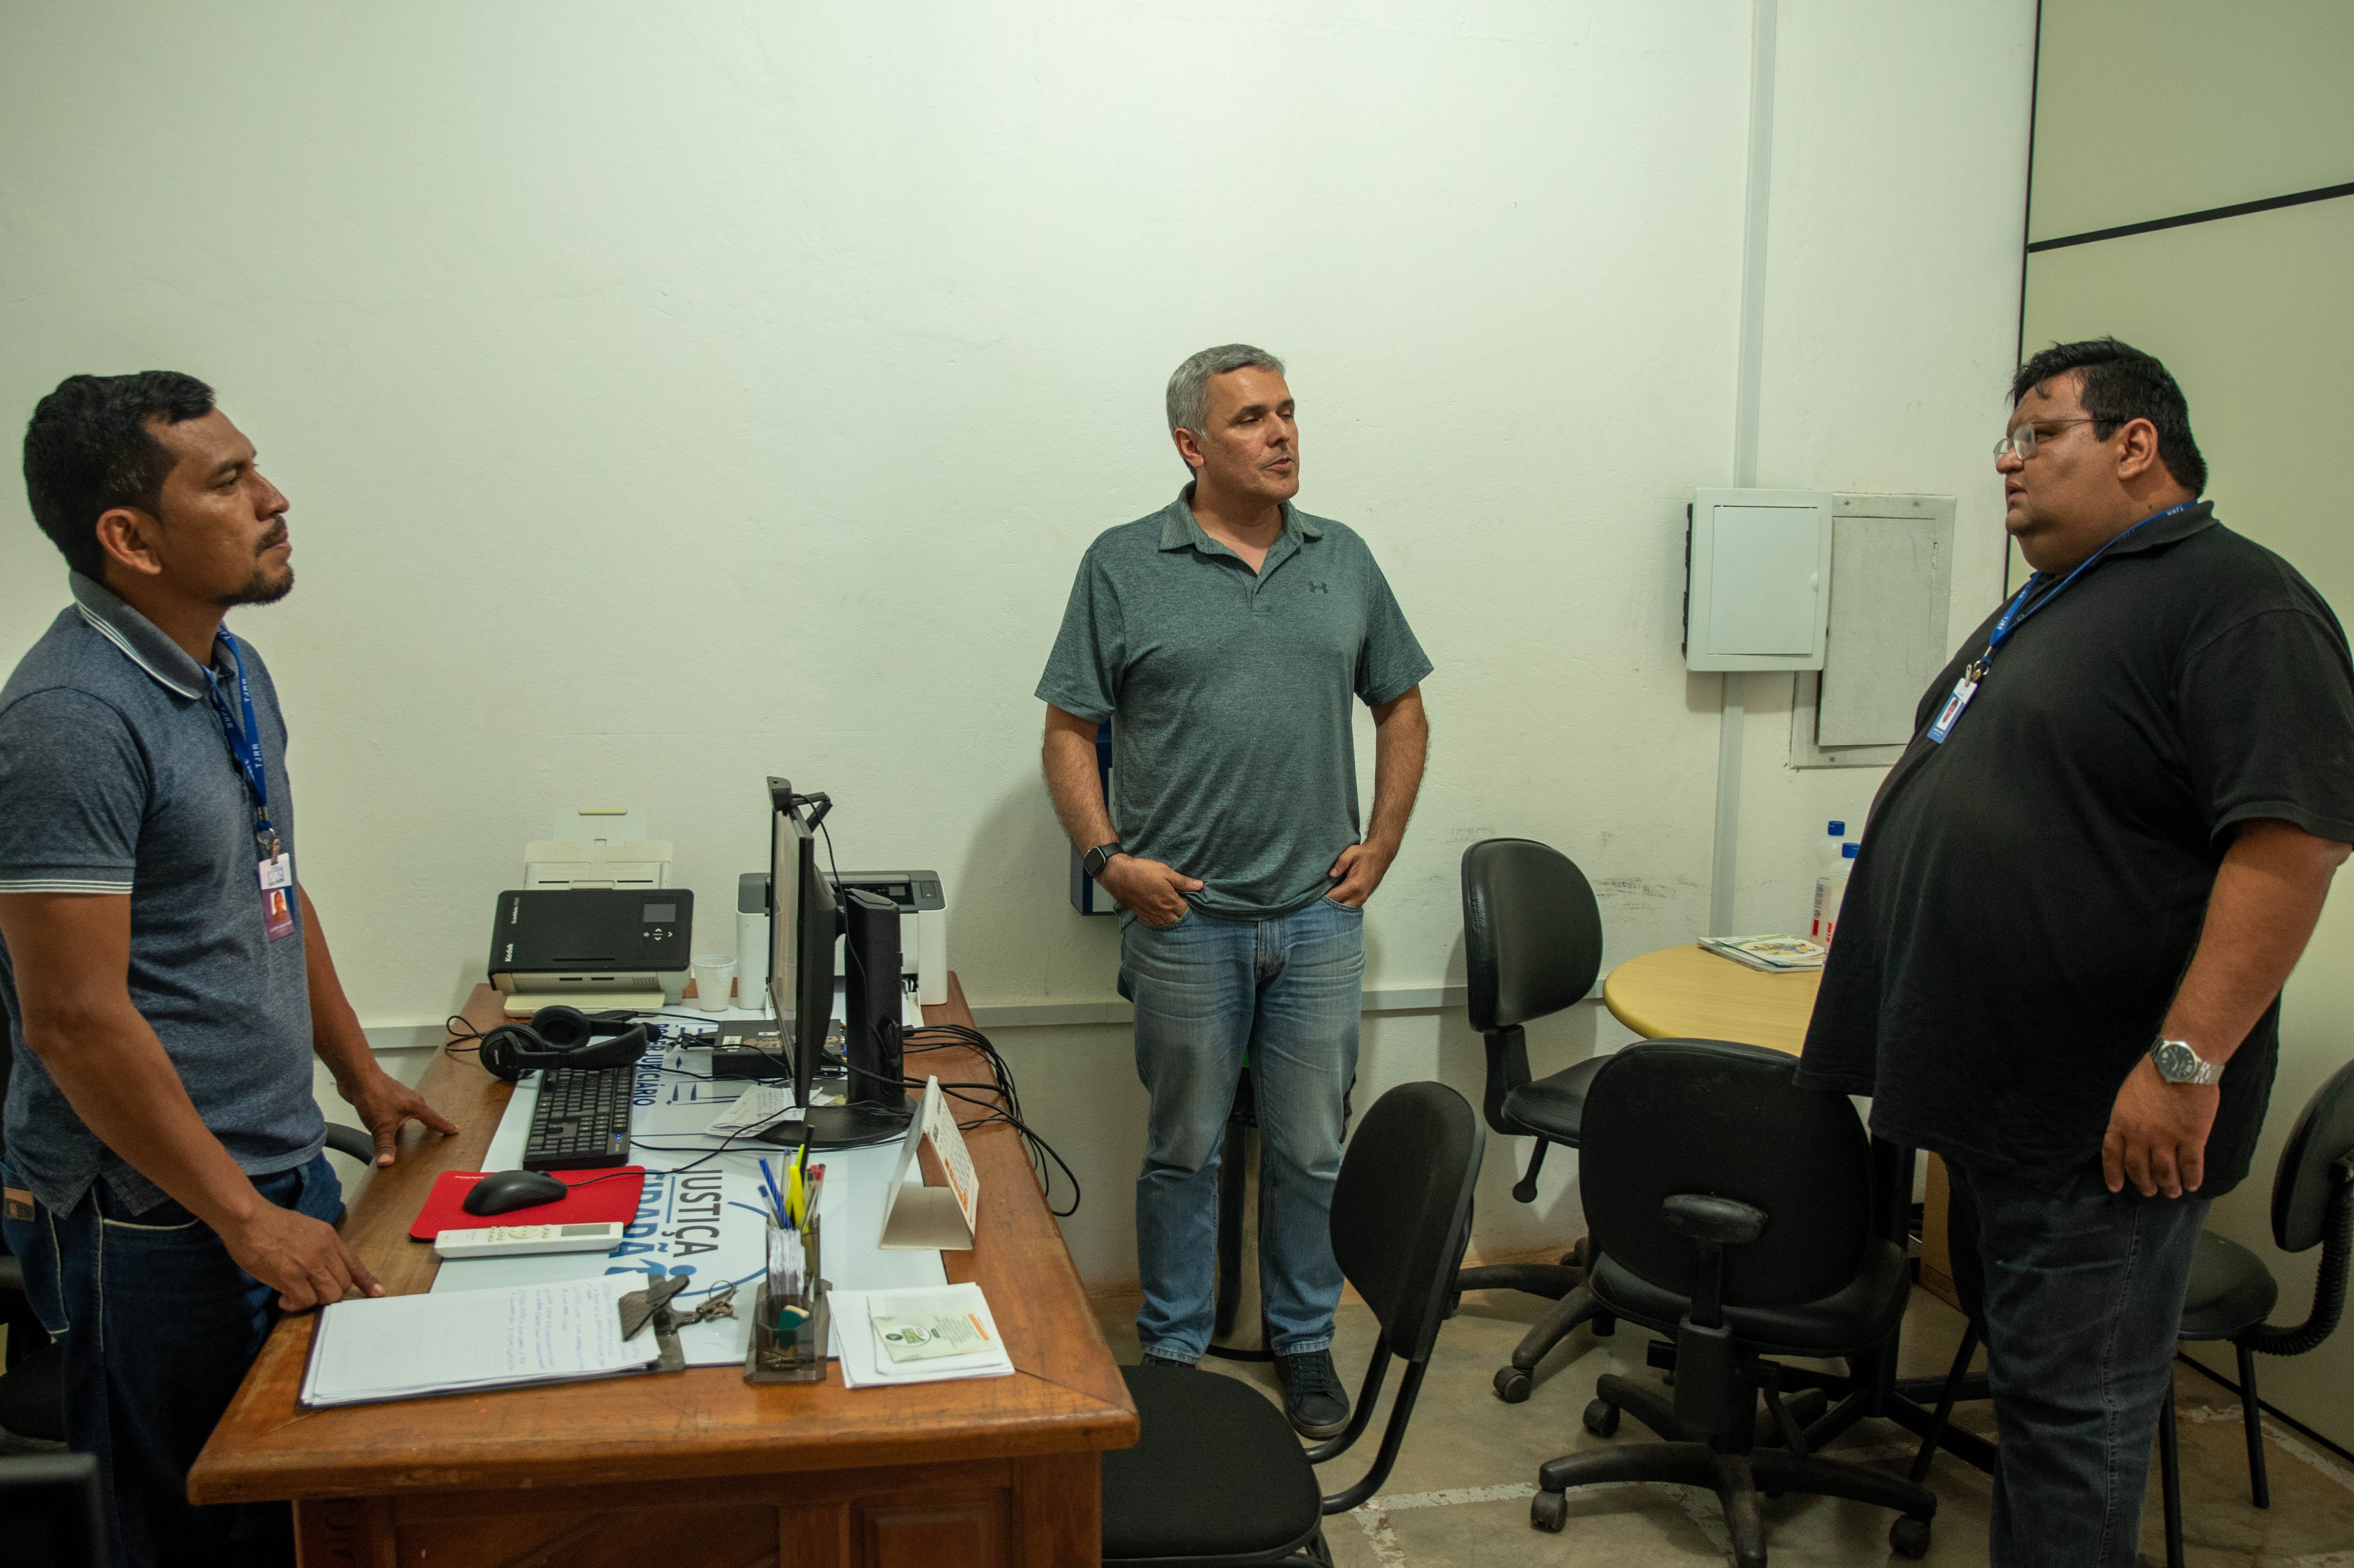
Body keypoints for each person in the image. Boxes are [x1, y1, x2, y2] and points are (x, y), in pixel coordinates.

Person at [1797, 338, 2354, 1567]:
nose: (2008, 458)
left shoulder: (2238, 604)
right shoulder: (2063, 595)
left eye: (2041, 431)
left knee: (2075, 1426)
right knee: (2041, 1395)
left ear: (2134, 444)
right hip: (2005, 1104)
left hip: (2100, 1123)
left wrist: (2184, 1064)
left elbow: (2293, 843)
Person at [0, 371, 456, 1567]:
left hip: (274, 1171)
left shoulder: (228, 671)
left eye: (254, 467)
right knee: (195, 1533)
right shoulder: (68, 721)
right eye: (229, 480)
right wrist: (247, 1221)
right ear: (128, 539)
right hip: (158, 1220)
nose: (273, 497)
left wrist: (358, 1073)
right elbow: (74, 1021)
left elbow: (270, 888)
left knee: (296, 1521)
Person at [1036, 344, 1431, 1437]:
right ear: (1191, 445)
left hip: (1316, 919)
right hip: (1186, 924)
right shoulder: (1122, 564)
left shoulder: (1339, 559)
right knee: (1183, 1149)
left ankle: (1304, 1343)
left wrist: (1383, 840)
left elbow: (1400, 706)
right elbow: (1068, 731)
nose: (1282, 434)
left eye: (1289, 412)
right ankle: (1171, 1343)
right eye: (1252, 419)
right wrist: (1109, 859)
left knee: (1310, 1149)